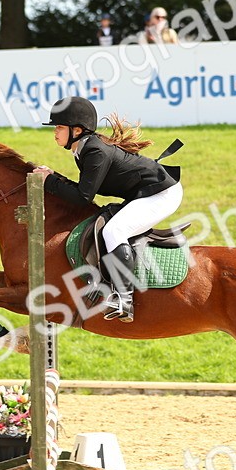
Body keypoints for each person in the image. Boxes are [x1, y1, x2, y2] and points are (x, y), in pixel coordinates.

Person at [33, 96, 183, 323]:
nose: (55, 131)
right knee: (112, 228)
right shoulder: (83, 148)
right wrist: (55, 178)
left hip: (162, 194)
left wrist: (49, 182)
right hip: (145, 193)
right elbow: (84, 190)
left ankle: (125, 299)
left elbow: (83, 197)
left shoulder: (95, 151)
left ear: (77, 130)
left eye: (60, 127)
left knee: (114, 231)